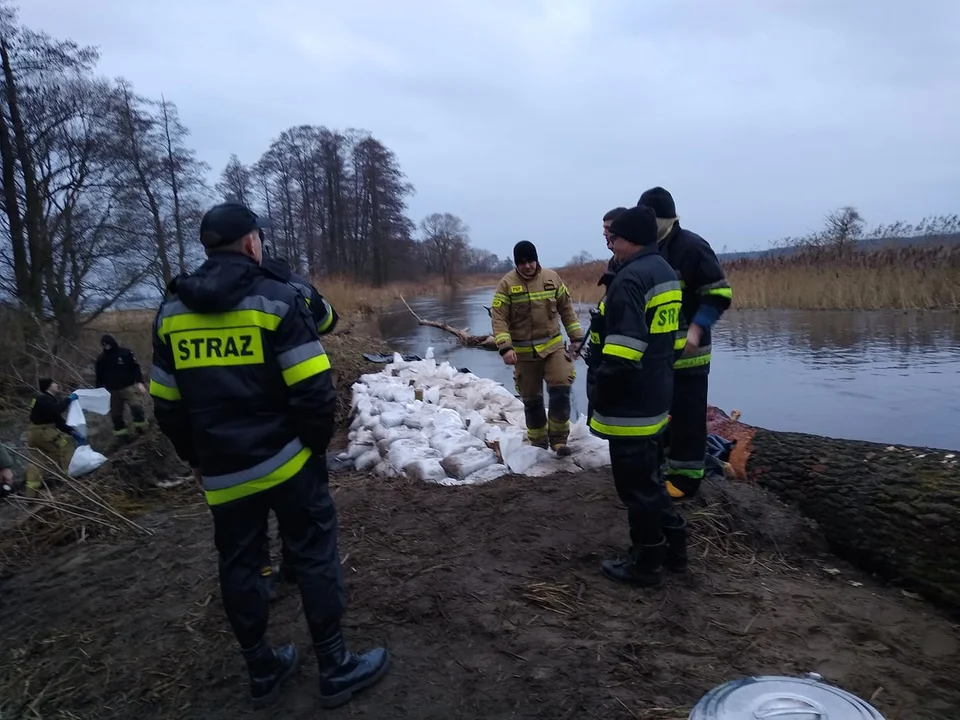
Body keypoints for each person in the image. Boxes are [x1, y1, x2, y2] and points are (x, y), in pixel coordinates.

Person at [149, 202, 388, 709]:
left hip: (222, 470)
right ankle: (335, 664)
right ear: (253, 243)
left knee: (239, 563)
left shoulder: (171, 312)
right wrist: (311, 447)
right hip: (288, 461)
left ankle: (261, 669)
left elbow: (166, 402)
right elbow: (314, 388)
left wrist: (196, 456)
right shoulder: (276, 299)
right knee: (314, 553)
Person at [588, 205, 687, 587]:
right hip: (656, 395)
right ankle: (674, 548)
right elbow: (674, 341)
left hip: (629, 404)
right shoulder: (665, 272)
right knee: (650, 480)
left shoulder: (630, 279)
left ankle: (646, 563)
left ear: (630, 240)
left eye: (613, 239)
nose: (611, 245)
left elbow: (623, 353)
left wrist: (599, 389)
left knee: (636, 488)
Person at [637, 187, 733, 500]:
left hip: (690, 354)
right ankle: (662, 466)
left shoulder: (691, 247)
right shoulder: (646, 251)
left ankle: (687, 479)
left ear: (670, 220)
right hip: (655, 355)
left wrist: (696, 328)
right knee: (655, 415)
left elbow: (717, 294)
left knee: (689, 418)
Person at [258, 243, 341, 593]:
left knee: (243, 524)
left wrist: (192, 453)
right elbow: (328, 320)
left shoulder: (183, 302)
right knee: (306, 517)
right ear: (253, 244)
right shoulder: (290, 288)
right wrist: (318, 439)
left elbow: (167, 394)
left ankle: (260, 580)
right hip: (286, 430)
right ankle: (296, 567)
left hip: (223, 443)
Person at [491, 241, 585, 455]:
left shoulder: (552, 279)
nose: (527, 266)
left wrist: (576, 337)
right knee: (532, 399)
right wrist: (505, 348)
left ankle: (559, 440)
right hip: (524, 355)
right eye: (522, 262)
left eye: (530, 260)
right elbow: (499, 318)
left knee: (561, 386)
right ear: (517, 264)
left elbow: (567, 310)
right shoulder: (506, 285)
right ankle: (539, 443)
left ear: (536, 259)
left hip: (553, 348)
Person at [584, 207, 628, 422]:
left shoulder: (636, 266)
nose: (605, 235)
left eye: (609, 230)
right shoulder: (615, 263)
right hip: (601, 355)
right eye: (604, 231)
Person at [25, 378, 85, 495]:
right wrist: (68, 400)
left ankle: (30, 494)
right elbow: (55, 410)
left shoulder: (45, 400)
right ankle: (71, 478)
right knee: (66, 445)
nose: (57, 385)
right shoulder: (43, 398)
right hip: (43, 432)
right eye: (54, 383)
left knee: (37, 463)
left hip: (34, 435)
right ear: (49, 387)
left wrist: (72, 431)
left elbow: (58, 421)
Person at [95, 333, 148, 440]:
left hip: (128, 387)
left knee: (136, 407)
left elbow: (135, 368)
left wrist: (140, 382)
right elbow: (99, 377)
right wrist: (99, 392)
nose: (107, 347)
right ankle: (123, 437)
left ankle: (142, 430)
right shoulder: (101, 359)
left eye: (108, 344)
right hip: (112, 391)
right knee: (116, 416)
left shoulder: (125, 353)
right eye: (104, 345)